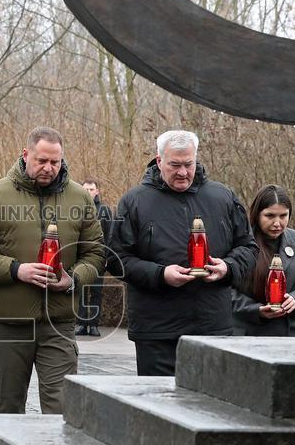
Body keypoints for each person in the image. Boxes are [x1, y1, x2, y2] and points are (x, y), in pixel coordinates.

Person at [0, 127, 105, 414]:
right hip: (10, 325)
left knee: (62, 412)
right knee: (9, 411)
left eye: (55, 162)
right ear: (25, 154)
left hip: (60, 324)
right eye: (41, 161)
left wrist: (73, 279)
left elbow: (96, 253)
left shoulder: (80, 198)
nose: (49, 168)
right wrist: (16, 270)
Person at [107, 130, 257, 376]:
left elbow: (249, 248)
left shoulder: (224, 198)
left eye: (189, 164)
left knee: (210, 409)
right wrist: (160, 274)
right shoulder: (134, 202)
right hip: (156, 331)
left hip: (212, 327)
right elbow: (115, 259)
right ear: (159, 161)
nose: (183, 172)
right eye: (174, 165)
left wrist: (228, 268)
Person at [232, 184, 295, 336]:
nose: (277, 223)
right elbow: (224, 291)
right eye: (270, 216)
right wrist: (254, 309)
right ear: (257, 214)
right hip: (247, 334)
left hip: (290, 335)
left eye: (283, 216)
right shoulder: (239, 242)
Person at [75, 178, 113, 336]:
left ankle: (94, 325)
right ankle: (82, 324)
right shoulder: (76, 209)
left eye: (91, 189)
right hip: (80, 259)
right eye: (85, 189)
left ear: (97, 191)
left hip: (99, 258)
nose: (88, 192)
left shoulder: (104, 210)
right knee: (81, 290)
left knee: (96, 292)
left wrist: (107, 258)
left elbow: (110, 235)